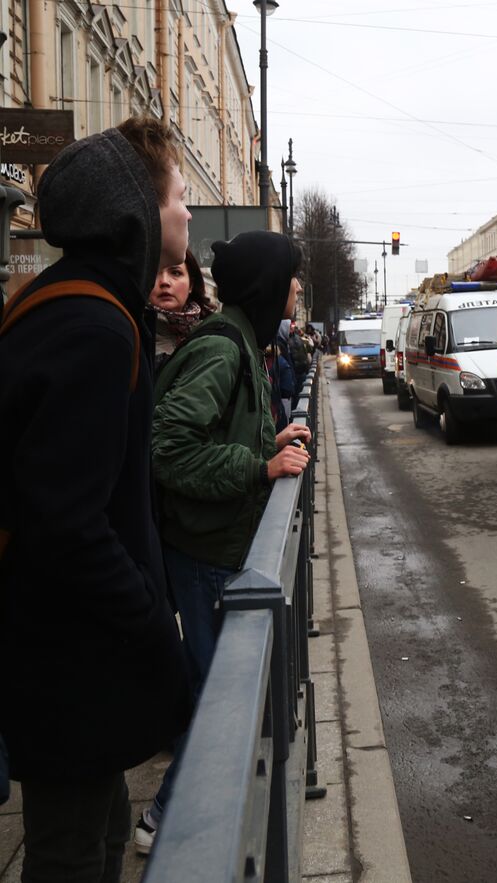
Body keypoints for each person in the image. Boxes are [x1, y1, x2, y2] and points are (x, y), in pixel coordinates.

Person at [0, 118, 193, 883]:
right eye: (177, 196)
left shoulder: (73, 304)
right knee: (71, 850)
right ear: (138, 213)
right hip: (68, 658)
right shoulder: (93, 327)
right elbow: (66, 521)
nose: (185, 212)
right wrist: (151, 619)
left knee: (103, 821)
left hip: (68, 652)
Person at [139, 231, 312, 853]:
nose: (297, 287)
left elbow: (216, 432)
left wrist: (268, 443)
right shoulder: (224, 349)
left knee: (224, 693)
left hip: (211, 548)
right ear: (270, 285)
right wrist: (259, 468)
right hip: (206, 555)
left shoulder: (242, 339)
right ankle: (169, 819)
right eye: (292, 276)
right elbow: (170, 448)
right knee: (224, 702)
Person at [150, 248, 213, 369]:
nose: (164, 281)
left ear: (191, 285)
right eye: (155, 272)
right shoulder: (134, 333)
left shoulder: (210, 334)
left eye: (175, 273)